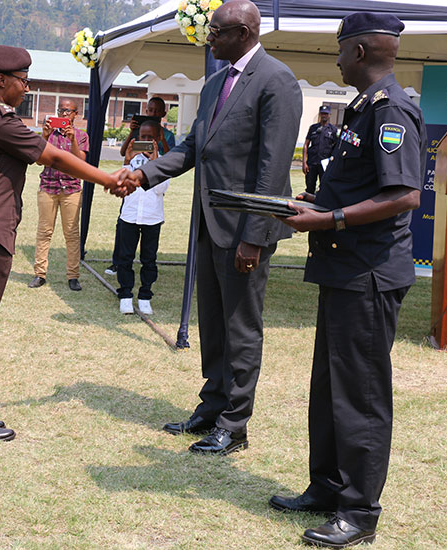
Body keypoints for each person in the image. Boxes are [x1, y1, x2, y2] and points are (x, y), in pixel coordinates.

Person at [268, 13, 425, 549]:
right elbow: (363, 186)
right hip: (345, 268)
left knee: (359, 392)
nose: (335, 58)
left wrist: (330, 219)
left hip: (369, 273)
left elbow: (404, 195)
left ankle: (359, 511)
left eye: (339, 48)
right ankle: (328, 487)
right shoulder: (363, 109)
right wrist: (319, 202)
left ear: (357, 51)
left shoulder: (392, 110)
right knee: (330, 386)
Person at [121, 0, 302, 455]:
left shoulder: (277, 81)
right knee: (215, 323)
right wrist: (143, 175)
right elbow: (192, 146)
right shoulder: (216, 81)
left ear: (242, 32)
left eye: (215, 33)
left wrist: (254, 236)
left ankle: (235, 425)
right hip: (210, 224)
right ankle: (213, 405)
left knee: (242, 326)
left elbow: (272, 166)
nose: (209, 40)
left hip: (244, 231)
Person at [0, 45, 126, 442]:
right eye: (23, 81)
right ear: (2, 81)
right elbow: (53, 158)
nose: (27, 88)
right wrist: (108, 179)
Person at [106, 96, 176, 276]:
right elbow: (125, 153)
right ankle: (117, 262)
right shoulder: (140, 129)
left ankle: (146, 268)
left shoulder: (167, 135)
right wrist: (132, 133)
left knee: (148, 233)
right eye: (149, 110)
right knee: (124, 225)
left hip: (155, 183)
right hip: (133, 186)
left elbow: (172, 160)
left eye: (156, 111)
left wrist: (161, 140)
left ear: (163, 113)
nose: (152, 113)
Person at [28, 99, 89, 291]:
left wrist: (72, 140)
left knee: (71, 233)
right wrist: (44, 137)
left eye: (68, 111)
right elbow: (38, 160)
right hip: (49, 186)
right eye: (60, 110)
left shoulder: (80, 136)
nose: (63, 114)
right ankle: (40, 274)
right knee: (44, 231)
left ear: (75, 114)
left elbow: (80, 162)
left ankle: (73, 276)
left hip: (71, 189)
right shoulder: (48, 134)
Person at [116, 120, 170, 315]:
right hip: (129, 215)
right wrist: (126, 162)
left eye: (150, 138)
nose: (145, 141)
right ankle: (125, 295)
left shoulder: (163, 161)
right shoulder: (131, 159)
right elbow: (121, 185)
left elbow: (161, 190)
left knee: (149, 259)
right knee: (125, 257)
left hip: (152, 217)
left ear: (157, 140)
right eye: (142, 137)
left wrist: (155, 163)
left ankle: (145, 295)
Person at [303, 105, 338, 193]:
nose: (324, 116)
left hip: (325, 164)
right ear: (319, 114)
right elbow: (306, 144)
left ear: (329, 115)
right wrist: (304, 163)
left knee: (324, 188)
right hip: (312, 163)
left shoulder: (333, 130)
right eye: (322, 113)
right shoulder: (313, 128)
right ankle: (307, 205)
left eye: (326, 114)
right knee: (309, 188)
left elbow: (336, 147)